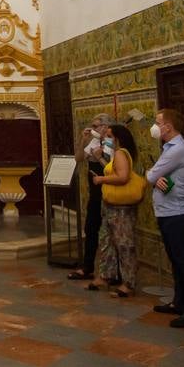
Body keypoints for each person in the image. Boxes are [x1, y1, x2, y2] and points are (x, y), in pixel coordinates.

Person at [148, 108, 184, 328]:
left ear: (168, 126)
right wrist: (154, 175)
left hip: (178, 212)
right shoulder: (168, 148)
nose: (155, 126)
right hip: (167, 211)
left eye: (158, 122)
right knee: (176, 261)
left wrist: (153, 175)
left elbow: (151, 174)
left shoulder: (177, 149)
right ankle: (178, 302)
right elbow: (154, 175)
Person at [88, 123, 138, 298]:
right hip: (110, 205)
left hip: (121, 208)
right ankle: (106, 275)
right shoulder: (115, 155)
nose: (105, 138)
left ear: (117, 138)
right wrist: (100, 160)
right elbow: (113, 171)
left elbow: (122, 177)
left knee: (124, 244)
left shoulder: (120, 153)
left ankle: (128, 282)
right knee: (107, 240)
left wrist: (101, 179)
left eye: (109, 135)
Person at [68, 114, 112, 281]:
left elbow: (114, 168)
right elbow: (78, 158)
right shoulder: (93, 142)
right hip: (95, 194)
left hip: (109, 191)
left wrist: (100, 156)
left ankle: (112, 272)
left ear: (106, 127)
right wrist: (83, 140)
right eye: (93, 126)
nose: (94, 129)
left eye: (97, 126)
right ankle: (88, 267)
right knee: (91, 228)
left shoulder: (113, 144)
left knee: (110, 233)